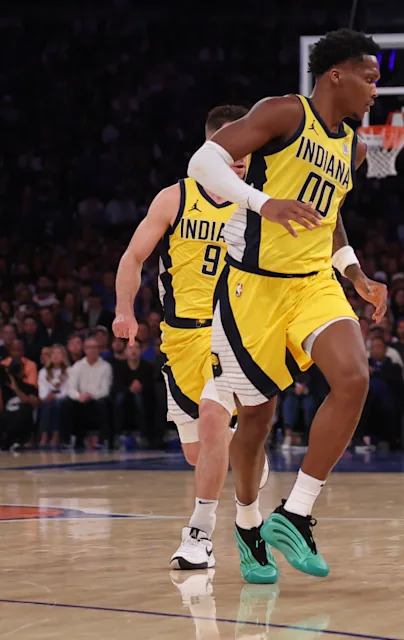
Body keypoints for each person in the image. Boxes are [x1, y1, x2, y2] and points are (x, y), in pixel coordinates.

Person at [186, 29, 387, 583]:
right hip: (251, 285)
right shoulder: (282, 113)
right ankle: (248, 524)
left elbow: (329, 215)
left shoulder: (356, 147)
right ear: (336, 76)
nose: (376, 89)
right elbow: (204, 163)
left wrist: (355, 273)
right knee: (255, 418)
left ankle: (295, 513)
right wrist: (263, 202)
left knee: (353, 377)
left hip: (311, 283)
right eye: (369, 78)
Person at [113, 106, 269, 570]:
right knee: (196, 450)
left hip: (235, 334)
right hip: (179, 338)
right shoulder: (174, 198)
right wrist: (124, 309)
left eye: (247, 149)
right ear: (211, 151)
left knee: (212, 414)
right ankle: (248, 457)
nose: (240, 158)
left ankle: (198, 536)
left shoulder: (259, 202)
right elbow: (132, 256)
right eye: (231, 149)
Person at [67, 337, 112, 450]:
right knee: (68, 403)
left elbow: (104, 390)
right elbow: (71, 388)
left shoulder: (106, 367)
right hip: (81, 399)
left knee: (102, 404)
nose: (92, 350)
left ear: (99, 350)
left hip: (97, 399)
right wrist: (79, 396)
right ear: (85, 349)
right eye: (89, 348)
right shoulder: (77, 366)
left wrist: (90, 394)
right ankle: (73, 440)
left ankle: (102, 440)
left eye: (95, 348)